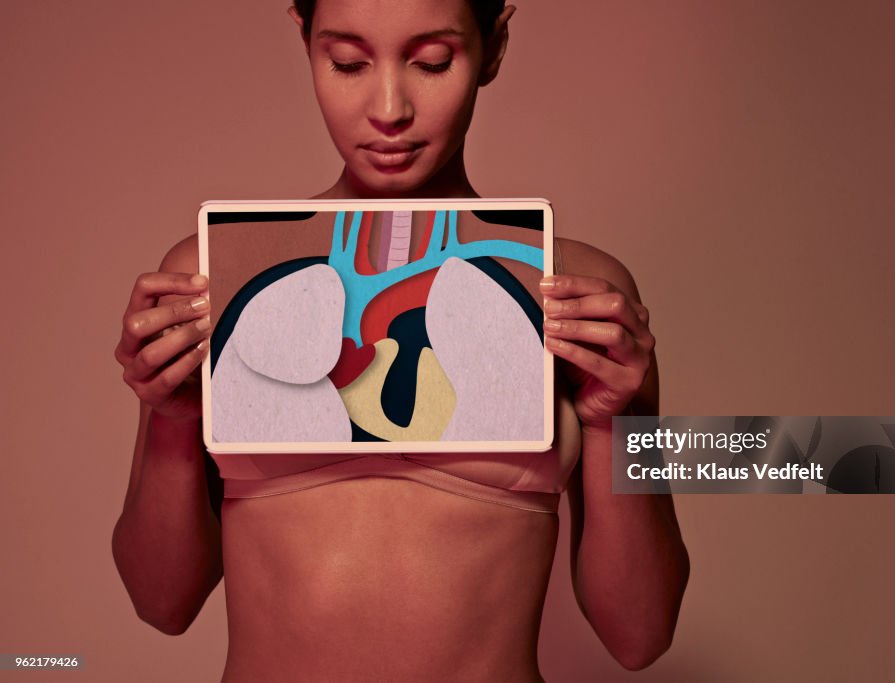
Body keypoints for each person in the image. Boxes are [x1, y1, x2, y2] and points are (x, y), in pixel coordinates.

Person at [111, 1, 689, 680]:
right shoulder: (217, 273)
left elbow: (641, 633)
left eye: (432, 62)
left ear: (494, 44)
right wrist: (171, 423)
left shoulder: (577, 291)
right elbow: (161, 601)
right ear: (305, 41)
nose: (388, 107)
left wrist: (618, 423)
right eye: (348, 63)